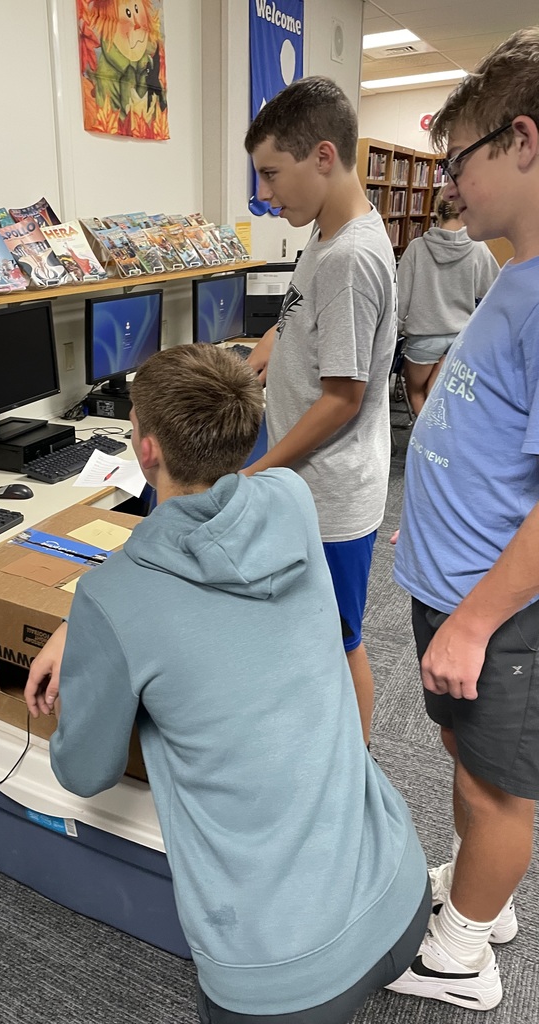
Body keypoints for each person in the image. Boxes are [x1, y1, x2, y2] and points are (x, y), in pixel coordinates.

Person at [26, 343, 429, 1024]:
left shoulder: (116, 598)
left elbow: (85, 773)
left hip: (285, 978)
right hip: (400, 888)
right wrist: (92, 618)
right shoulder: (291, 497)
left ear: (145, 449)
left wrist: (95, 620)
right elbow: (201, 541)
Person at [390, 26, 539, 1012]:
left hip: (496, 611)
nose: (448, 183)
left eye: (458, 160)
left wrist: (479, 618)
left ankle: (462, 956)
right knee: (465, 758)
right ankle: (483, 897)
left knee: (500, 791)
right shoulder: (511, 270)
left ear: (521, 141)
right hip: (454, 583)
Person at [243, 76, 397, 744]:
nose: (265, 192)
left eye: (272, 174)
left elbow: (342, 398)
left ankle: (353, 770)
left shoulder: (351, 259)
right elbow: (293, 320)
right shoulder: (326, 235)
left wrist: (258, 473)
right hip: (308, 481)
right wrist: (249, 363)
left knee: (340, 639)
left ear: (323, 157)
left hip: (332, 495)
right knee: (309, 629)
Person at [397, 189, 498, 415]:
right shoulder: (477, 248)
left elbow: (400, 298)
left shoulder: (417, 248)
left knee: (416, 394)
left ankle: (423, 433)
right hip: (460, 339)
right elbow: (494, 290)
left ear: (436, 210)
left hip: (423, 339)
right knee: (441, 398)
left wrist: (399, 329)